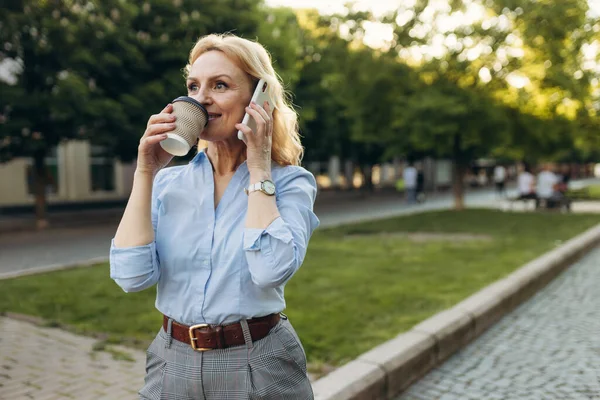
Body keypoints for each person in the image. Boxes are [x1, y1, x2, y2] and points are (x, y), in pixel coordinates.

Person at [109, 33, 319, 399]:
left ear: (259, 98)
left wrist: (258, 167)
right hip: (170, 361)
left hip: (260, 363)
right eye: (193, 86)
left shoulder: (290, 183)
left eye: (219, 85)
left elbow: (271, 270)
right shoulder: (168, 183)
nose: (201, 99)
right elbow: (131, 276)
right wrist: (145, 173)